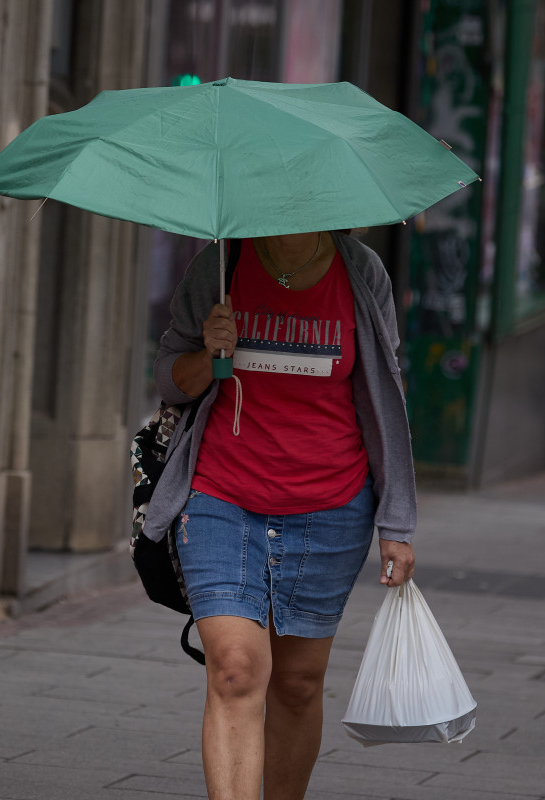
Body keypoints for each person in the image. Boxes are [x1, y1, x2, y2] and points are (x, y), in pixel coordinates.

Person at [148, 230, 416, 800]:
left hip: (331, 505)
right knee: (235, 669)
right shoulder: (221, 266)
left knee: (296, 683)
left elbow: (386, 395)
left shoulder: (361, 273)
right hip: (221, 495)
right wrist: (208, 354)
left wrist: (397, 523)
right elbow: (170, 379)